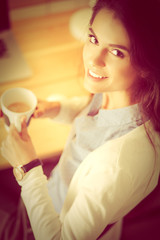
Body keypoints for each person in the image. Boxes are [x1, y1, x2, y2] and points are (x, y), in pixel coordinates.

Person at [1, 0, 160, 239]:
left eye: (117, 52)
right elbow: (96, 117)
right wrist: (57, 108)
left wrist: (28, 168)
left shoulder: (120, 165)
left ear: (148, 65)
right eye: (94, 39)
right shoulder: (116, 91)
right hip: (47, 193)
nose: (93, 60)